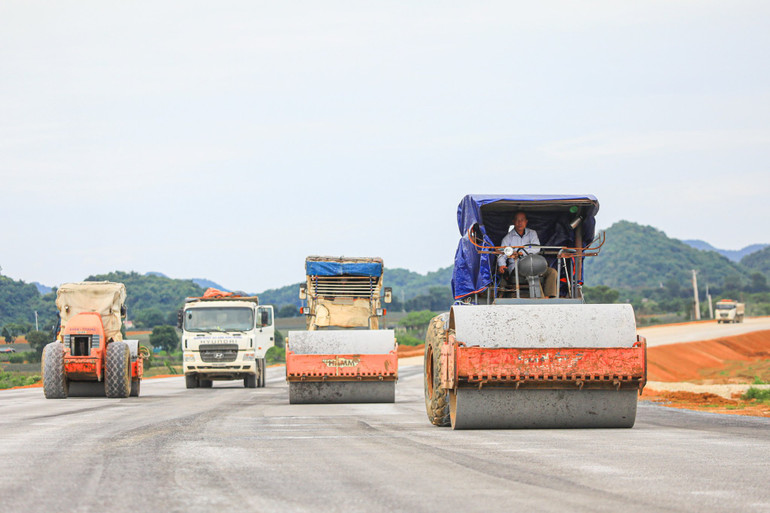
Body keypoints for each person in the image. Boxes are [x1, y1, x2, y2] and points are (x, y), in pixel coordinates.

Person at [497, 212, 558, 298]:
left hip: (533, 264)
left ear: (526, 222)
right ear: (514, 222)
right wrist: (502, 265)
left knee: (552, 272)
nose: (520, 223)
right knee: (532, 273)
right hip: (517, 267)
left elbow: (537, 248)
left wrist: (522, 252)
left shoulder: (532, 233)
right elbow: (502, 253)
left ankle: (549, 297)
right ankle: (541, 299)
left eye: (522, 220)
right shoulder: (508, 238)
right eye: (517, 220)